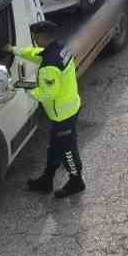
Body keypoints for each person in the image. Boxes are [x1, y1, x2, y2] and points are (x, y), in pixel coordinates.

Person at [9, 40, 85, 197]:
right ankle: (47, 179)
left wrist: (27, 89)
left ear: (39, 36)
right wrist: (14, 50)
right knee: (55, 147)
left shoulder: (49, 66)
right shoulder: (60, 49)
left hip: (63, 115)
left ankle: (76, 181)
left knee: (68, 151)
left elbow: (47, 94)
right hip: (69, 107)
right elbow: (36, 54)